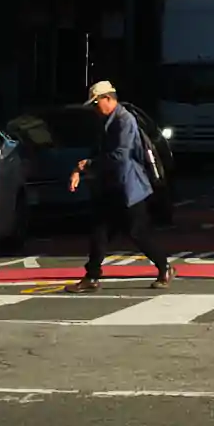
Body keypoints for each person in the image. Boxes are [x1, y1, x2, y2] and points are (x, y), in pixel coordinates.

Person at [69, 81, 171, 291]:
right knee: (100, 230)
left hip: (129, 187)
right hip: (111, 186)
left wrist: (89, 164)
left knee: (136, 232)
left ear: (108, 98)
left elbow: (120, 156)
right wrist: (83, 168)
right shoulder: (108, 121)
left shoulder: (124, 121)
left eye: (96, 103)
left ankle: (164, 266)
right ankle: (92, 276)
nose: (95, 108)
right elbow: (102, 152)